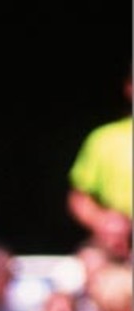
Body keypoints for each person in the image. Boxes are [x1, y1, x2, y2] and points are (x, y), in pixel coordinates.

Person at [66, 69, 132, 262]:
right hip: (117, 250)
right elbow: (79, 197)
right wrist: (102, 221)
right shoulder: (104, 139)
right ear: (129, 88)